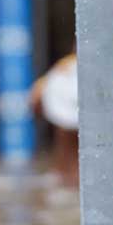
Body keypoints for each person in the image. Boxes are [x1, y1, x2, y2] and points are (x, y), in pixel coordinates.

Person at [30, 49, 79, 186]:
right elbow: (38, 91)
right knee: (67, 150)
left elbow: (36, 92)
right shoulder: (65, 65)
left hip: (67, 116)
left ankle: (65, 178)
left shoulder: (66, 65)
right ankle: (66, 178)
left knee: (66, 150)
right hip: (66, 116)